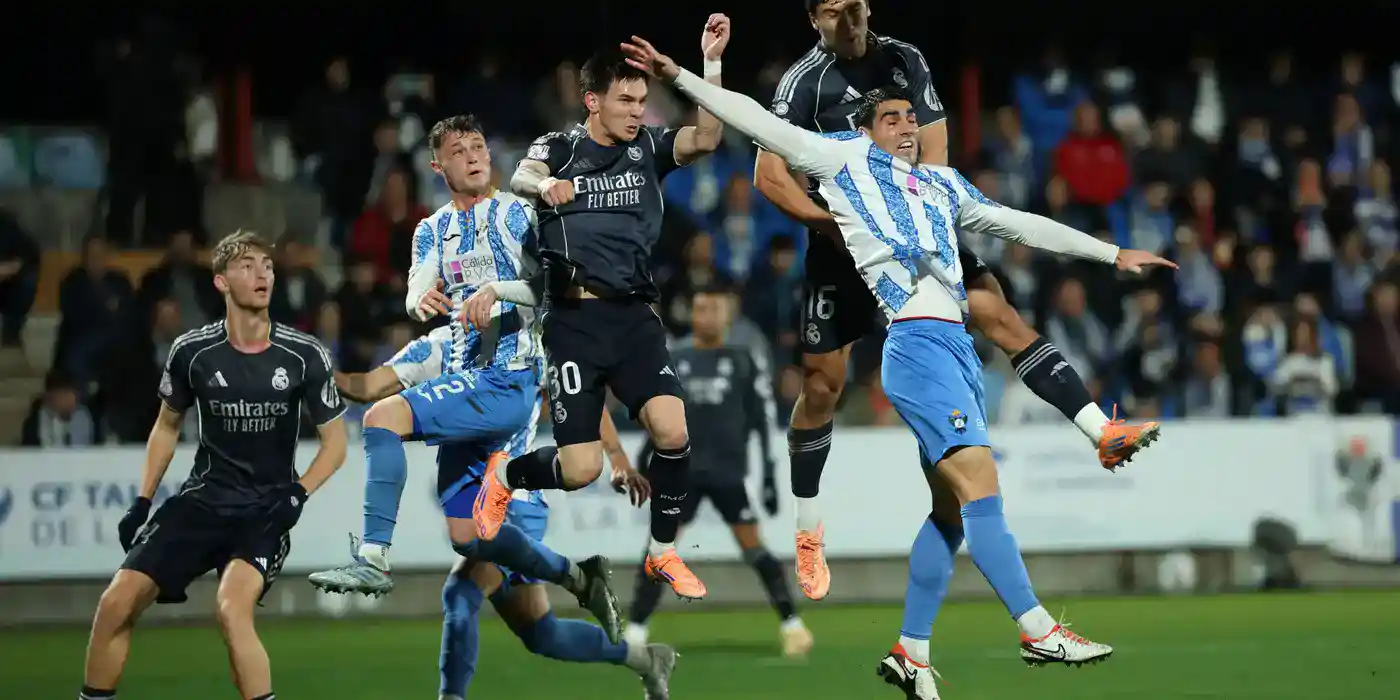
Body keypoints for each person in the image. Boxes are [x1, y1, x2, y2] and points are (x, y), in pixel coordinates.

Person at [619, 37, 1178, 698]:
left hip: (956, 351)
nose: (908, 125)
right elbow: (756, 120)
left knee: (948, 512)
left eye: (912, 117)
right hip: (916, 347)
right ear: (864, 130)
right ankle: (1035, 626)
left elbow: (1021, 223)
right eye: (892, 118)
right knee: (981, 484)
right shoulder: (843, 159)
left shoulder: (943, 184)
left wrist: (1111, 255)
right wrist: (684, 76)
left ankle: (912, 651)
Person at [755, 0, 1160, 601]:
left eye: (857, 5)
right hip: (842, 246)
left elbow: (935, 151)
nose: (850, 17)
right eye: (835, 9)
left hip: (919, 234)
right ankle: (808, 527)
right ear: (814, 16)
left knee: (997, 312)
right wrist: (836, 224)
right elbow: (770, 176)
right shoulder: (802, 83)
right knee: (821, 387)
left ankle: (1101, 430)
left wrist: (915, 211)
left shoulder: (905, 59)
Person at [307, 115, 621, 642]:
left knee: (384, 417)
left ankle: (373, 557)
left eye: (479, 146)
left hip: (509, 378)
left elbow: (553, 287)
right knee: (470, 535)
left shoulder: (520, 214)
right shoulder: (432, 229)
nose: (474, 156)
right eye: (459, 150)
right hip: (465, 378)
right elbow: (416, 287)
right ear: (438, 166)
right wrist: (418, 300)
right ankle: (579, 576)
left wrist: (496, 291)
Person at [466, 16, 729, 601]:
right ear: (593, 100)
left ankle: (662, 552)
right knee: (581, 468)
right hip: (574, 323)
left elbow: (707, 138)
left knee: (672, 428)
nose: (638, 111)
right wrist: (544, 187)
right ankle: (505, 474)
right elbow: (522, 173)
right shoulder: (560, 148)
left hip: (634, 317)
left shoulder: (650, 148)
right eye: (625, 100)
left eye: (642, 99)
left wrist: (708, 66)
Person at [331, 328, 677, 700]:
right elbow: (366, 387)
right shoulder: (439, 347)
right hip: (478, 499)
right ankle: (644, 659)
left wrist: (619, 460)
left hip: (515, 502)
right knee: (543, 634)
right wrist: (313, 371)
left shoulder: (529, 344)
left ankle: (453, 694)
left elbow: (585, 401)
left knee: (462, 591)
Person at [81, 231, 349, 700]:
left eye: (266, 264)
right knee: (115, 603)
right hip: (201, 502)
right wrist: (143, 500)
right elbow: (166, 427)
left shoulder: (304, 354)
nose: (262, 273)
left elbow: (336, 444)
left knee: (231, 610)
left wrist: (298, 492)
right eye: (247, 266)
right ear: (221, 282)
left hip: (263, 511)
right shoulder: (192, 352)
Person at [624, 285, 812, 658]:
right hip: (682, 472)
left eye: (712, 308)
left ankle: (793, 625)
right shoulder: (674, 356)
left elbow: (761, 418)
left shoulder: (743, 357)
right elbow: (656, 412)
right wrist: (645, 459)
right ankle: (634, 631)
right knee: (659, 549)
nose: (705, 315)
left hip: (728, 472)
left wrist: (771, 475)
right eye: (699, 308)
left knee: (754, 548)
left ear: (726, 315)